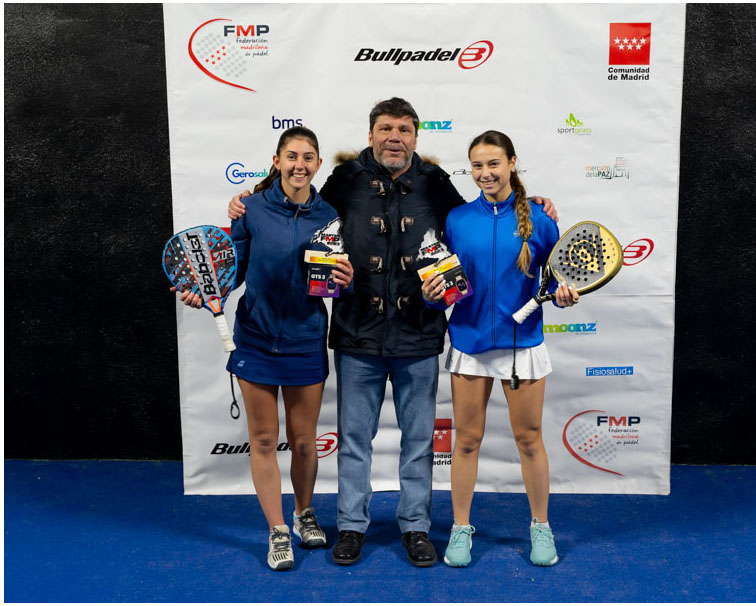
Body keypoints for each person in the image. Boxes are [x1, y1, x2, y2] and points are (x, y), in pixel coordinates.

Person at [228, 98, 558, 567]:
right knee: (354, 439)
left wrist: (533, 203)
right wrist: (250, 199)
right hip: (356, 333)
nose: (394, 138)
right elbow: (301, 203)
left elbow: (480, 217)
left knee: (419, 442)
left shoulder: (435, 182)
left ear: (416, 137)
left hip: (418, 334)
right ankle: (351, 527)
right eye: (386, 129)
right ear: (370, 135)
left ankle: (415, 527)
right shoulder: (344, 180)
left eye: (404, 130)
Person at [176, 126, 354, 571]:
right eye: (291, 156)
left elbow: (335, 279)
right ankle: (277, 530)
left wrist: (345, 281)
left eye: (308, 157)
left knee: (305, 442)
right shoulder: (250, 208)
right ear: (277, 161)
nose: (300, 165)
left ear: (318, 164)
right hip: (255, 340)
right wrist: (205, 291)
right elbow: (231, 271)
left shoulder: (330, 215)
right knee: (263, 439)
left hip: (305, 341)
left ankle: (304, 513)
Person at [421, 130, 578, 568]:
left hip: (520, 345)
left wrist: (564, 295)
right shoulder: (456, 220)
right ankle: (460, 529)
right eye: (477, 165)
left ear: (512, 163)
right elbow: (445, 284)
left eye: (493, 163)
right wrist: (433, 297)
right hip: (469, 343)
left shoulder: (541, 219)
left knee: (529, 439)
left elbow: (556, 281)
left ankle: (541, 526)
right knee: (467, 441)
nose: (485, 173)